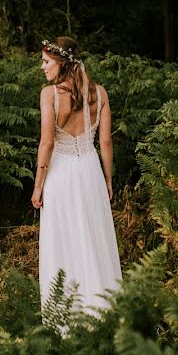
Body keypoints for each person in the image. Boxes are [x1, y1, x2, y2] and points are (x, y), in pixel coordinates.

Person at [32, 36, 122, 319]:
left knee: (63, 238)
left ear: (60, 63)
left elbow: (46, 144)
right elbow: (105, 143)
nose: (42, 67)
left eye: (46, 62)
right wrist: (107, 180)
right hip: (90, 172)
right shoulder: (100, 94)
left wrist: (37, 186)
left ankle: (65, 313)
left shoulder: (50, 95)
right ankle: (101, 309)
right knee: (93, 237)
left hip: (60, 174)